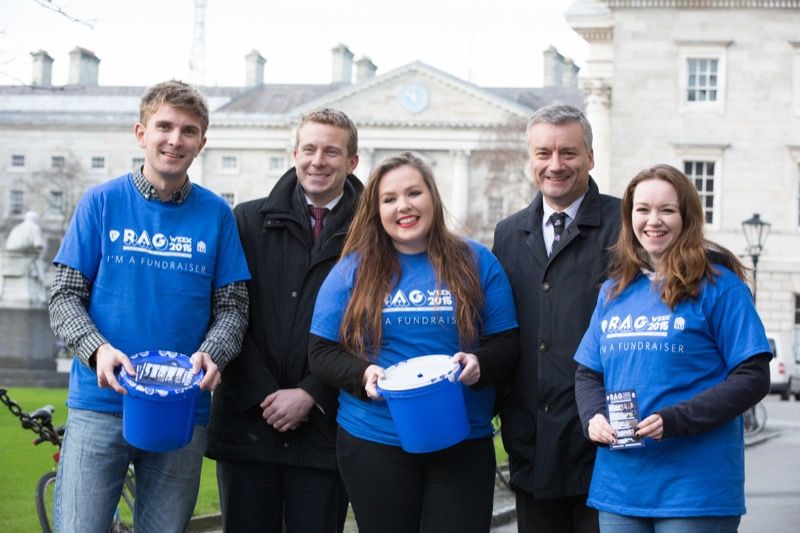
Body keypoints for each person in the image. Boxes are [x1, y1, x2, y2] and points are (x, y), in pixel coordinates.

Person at [48, 80, 251, 532]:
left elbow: (234, 308)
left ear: (201, 142)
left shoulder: (216, 214)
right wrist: (97, 350)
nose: (175, 140)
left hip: (182, 409)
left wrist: (213, 353)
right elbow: (63, 295)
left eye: (189, 130)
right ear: (141, 133)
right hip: (101, 402)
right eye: (165, 126)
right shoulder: (101, 203)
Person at [308, 151, 520, 533]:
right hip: (375, 439)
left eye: (413, 193)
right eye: (389, 199)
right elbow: (321, 352)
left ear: (432, 198)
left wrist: (480, 365)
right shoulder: (352, 269)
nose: (403, 206)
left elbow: (506, 342)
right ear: (376, 210)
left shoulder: (477, 261)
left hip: (462, 438)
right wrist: (363, 373)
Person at [573, 164, 771, 532]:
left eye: (667, 210)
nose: (653, 220)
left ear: (687, 217)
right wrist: (593, 417)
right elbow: (588, 372)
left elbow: (753, 376)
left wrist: (676, 420)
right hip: (620, 487)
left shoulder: (720, 287)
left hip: (694, 489)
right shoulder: (614, 292)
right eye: (642, 209)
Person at [206, 108, 363, 533]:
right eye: (309, 149)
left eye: (332, 152)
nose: (318, 161)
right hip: (249, 424)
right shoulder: (245, 221)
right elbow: (230, 313)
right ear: (294, 153)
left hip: (327, 429)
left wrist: (311, 392)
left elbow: (371, 328)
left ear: (352, 162)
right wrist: (265, 394)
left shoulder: (374, 233)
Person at [492, 104, 621, 533]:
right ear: (530, 159)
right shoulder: (508, 234)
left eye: (568, 152)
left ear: (590, 156)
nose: (555, 165)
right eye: (543, 153)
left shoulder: (626, 226)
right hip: (533, 443)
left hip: (604, 442)